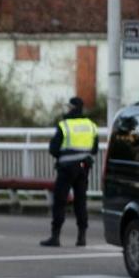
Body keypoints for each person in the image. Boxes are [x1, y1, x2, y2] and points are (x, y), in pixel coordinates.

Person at [41, 96, 98, 247]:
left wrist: (64, 155)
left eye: (68, 107)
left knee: (60, 201)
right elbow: (95, 149)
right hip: (83, 167)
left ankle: (55, 236)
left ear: (72, 108)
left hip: (66, 168)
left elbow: (53, 149)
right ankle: (81, 237)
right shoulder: (91, 125)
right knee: (80, 202)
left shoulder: (65, 125)